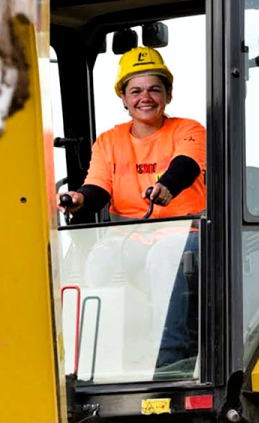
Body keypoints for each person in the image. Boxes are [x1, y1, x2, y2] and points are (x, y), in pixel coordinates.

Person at [59, 46, 204, 378]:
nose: (145, 97)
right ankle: (98, 359)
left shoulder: (188, 130)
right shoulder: (109, 141)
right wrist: (79, 199)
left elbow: (187, 165)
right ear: (123, 98)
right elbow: (97, 187)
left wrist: (167, 186)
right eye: (135, 90)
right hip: (132, 237)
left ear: (167, 94)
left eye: (155, 89)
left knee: (165, 256)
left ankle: (166, 360)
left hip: (185, 235)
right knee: (102, 256)